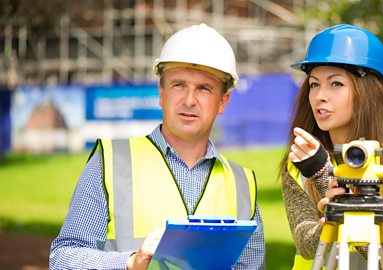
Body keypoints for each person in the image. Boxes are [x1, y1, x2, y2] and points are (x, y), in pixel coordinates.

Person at [50, 23, 266, 270]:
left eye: (204, 89)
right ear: (161, 92)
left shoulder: (242, 184)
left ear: (222, 102)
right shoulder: (110, 162)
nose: (189, 100)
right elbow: (63, 259)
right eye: (178, 85)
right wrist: (130, 262)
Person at [280, 24, 383, 269]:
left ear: (367, 92)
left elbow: (381, 251)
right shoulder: (301, 162)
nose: (320, 96)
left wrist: (326, 178)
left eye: (335, 84)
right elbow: (306, 246)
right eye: (314, 84)